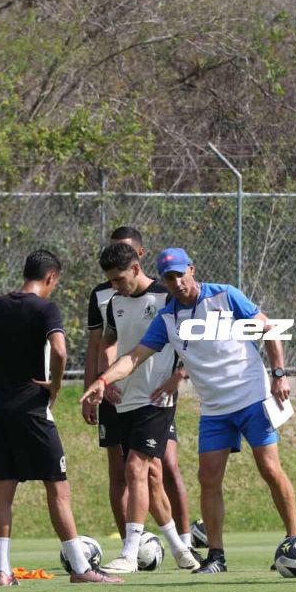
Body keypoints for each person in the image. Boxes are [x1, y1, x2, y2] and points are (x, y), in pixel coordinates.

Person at [81, 248, 296, 575]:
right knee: (208, 479)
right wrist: (102, 379)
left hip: (252, 397)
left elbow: (268, 328)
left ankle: (294, 540)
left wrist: (279, 375)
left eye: (180, 274)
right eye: (169, 278)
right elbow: (133, 357)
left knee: (270, 469)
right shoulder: (167, 318)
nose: (176, 282)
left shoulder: (226, 296)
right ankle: (216, 557)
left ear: (192, 270)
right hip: (214, 409)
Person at [0, 249, 121, 585]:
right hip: (34, 411)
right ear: (51, 278)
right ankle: (81, 569)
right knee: (58, 489)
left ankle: (2, 570)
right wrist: (54, 385)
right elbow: (59, 349)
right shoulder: (45, 309)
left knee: (4, 491)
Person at [82, 227, 193, 550]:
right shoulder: (111, 300)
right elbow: (108, 342)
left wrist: (178, 375)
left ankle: (135, 551)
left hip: (157, 396)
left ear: (137, 262)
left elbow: (191, 341)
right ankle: (179, 550)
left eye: (118, 278)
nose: (113, 285)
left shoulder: (166, 296)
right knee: (143, 473)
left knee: (151, 467)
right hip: (122, 395)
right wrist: (103, 380)